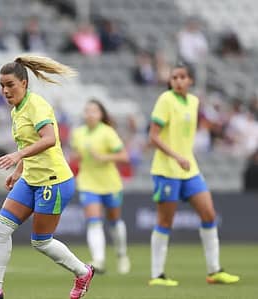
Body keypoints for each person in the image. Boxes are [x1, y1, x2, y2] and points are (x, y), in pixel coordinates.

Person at [0, 55, 94, 299]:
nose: (5, 90)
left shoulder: (37, 105)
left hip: (53, 181)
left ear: (24, 83)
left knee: (41, 242)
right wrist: (19, 170)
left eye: (10, 84)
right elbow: (28, 142)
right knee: (1, 228)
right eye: (2, 85)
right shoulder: (16, 111)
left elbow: (49, 139)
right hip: (30, 179)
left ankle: (82, 272)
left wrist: (17, 155)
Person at [148, 63, 240, 286]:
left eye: (182, 77)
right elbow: (154, 136)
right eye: (174, 77)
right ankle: (157, 275)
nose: (177, 81)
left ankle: (214, 271)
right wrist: (176, 156)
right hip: (167, 170)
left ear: (190, 80)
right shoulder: (165, 100)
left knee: (209, 214)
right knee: (165, 221)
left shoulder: (194, 102)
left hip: (190, 170)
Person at [70, 99, 131, 274]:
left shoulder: (108, 132)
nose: (90, 114)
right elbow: (77, 155)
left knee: (114, 222)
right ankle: (99, 260)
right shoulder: (78, 133)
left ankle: (122, 255)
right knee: (94, 222)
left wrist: (104, 158)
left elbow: (124, 156)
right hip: (88, 183)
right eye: (87, 111)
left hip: (110, 184)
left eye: (94, 111)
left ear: (101, 114)